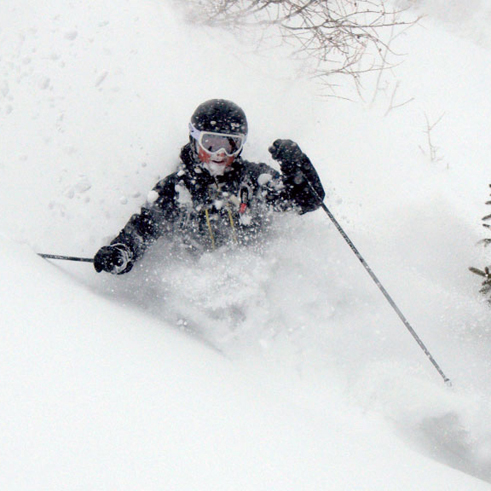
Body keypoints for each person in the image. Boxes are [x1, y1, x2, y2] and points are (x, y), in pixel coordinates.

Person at [93, 99, 325, 275]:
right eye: (211, 143)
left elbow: (307, 201)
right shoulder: (177, 188)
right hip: (200, 281)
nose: (221, 154)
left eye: (231, 144)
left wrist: (296, 166)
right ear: (194, 140)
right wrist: (122, 251)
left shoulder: (254, 178)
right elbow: (143, 227)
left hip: (257, 275)